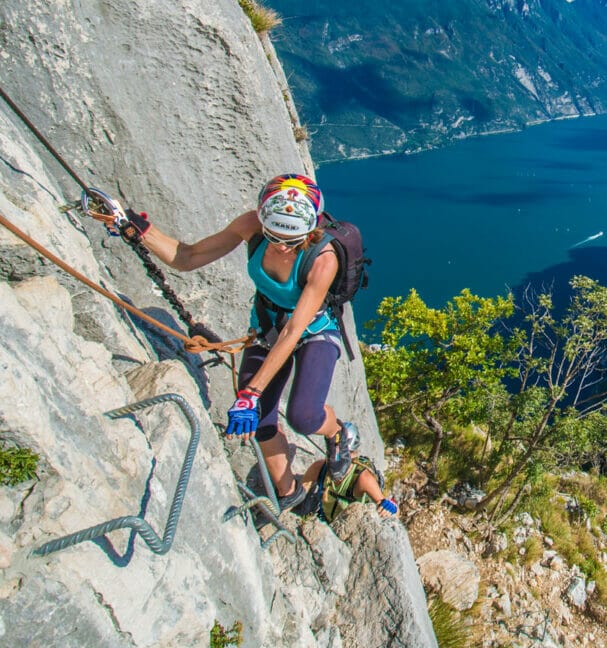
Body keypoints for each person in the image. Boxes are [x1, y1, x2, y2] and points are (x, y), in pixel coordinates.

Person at [92, 174, 394, 518]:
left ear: (310, 231)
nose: (281, 246)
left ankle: (340, 433)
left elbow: (295, 329)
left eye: (292, 240)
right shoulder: (251, 226)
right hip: (267, 328)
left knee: (303, 415)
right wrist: (138, 230)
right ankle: (290, 491)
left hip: (313, 332)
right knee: (261, 420)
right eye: (275, 236)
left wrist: (250, 392)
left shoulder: (324, 258)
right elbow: (187, 257)